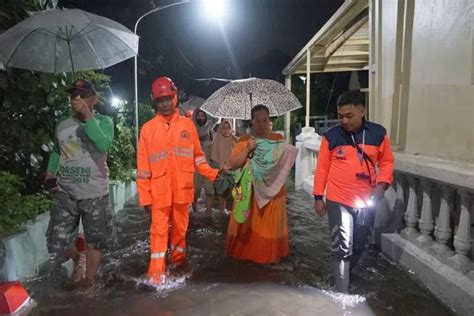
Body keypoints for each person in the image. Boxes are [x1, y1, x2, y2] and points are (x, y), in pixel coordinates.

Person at [136, 77, 219, 284]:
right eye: (160, 100)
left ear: (175, 97)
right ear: (154, 101)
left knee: (181, 230)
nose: (164, 103)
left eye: (168, 98)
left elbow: (198, 158)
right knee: (159, 231)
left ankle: (179, 262)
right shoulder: (148, 129)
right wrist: (145, 199)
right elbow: (143, 168)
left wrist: (215, 174)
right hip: (159, 193)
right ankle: (156, 274)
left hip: (182, 191)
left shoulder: (187, 126)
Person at [313, 91, 394, 293]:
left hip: (366, 200)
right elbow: (322, 168)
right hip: (337, 199)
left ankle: (342, 275)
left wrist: (382, 184)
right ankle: (341, 294)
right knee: (342, 247)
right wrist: (317, 196)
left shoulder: (378, 134)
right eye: (340, 116)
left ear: (362, 111)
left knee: (359, 244)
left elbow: (386, 162)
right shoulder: (331, 136)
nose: (344, 120)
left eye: (349, 115)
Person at [44, 79, 115, 287]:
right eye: (73, 95)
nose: (76, 99)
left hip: (95, 192)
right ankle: (77, 257)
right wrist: (50, 172)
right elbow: (58, 151)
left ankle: (89, 281)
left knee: (95, 241)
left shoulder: (104, 122)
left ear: (94, 98)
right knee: (57, 242)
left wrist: (87, 116)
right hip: (65, 192)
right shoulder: (63, 123)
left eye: (82, 95)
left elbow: (103, 145)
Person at [226, 105, 298, 264]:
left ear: (269, 121)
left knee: (268, 228)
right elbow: (233, 164)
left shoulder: (277, 139)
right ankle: (247, 255)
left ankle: (269, 256)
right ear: (251, 121)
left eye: (265, 120)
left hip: (273, 192)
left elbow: (285, 164)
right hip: (249, 191)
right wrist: (247, 150)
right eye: (257, 120)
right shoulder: (245, 140)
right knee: (247, 226)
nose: (261, 124)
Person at [210, 119, 237, 214]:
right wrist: (221, 168)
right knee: (222, 191)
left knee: (235, 192)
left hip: (233, 170)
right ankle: (222, 210)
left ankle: (234, 211)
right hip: (220, 171)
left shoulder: (234, 140)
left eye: (228, 128)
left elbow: (239, 155)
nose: (226, 131)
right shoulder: (217, 140)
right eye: (224, 128)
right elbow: (213, 157)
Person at [192, 109, 214, 214]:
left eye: (203, 116)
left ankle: (208, 212)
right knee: (195, 191)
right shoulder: (192, 130)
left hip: (208, 165)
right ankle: (195, 211)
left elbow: (215, 146)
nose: (201, 118)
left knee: (209, 191)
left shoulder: (210, 131)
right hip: (196, 166)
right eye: (199, 116)